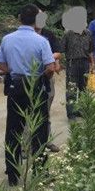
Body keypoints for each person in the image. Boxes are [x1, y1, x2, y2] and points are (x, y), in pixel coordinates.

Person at [0, 4, 55, 186]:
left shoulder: (7, 39)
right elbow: (50, 68)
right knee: (39, 131)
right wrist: (41, 76)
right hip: (35, 86)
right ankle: (39, 172)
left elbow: (1, 65)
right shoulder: (41, 41)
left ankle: (13, 174)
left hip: (15, 86)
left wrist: (14, 70)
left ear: (19, 18)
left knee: (13, 130)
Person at [57, 7, 95, 120]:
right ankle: (71, 113)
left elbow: (91, 50)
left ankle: (82, 110)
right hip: (72, 63)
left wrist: (93, 64)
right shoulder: (68, 34)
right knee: (72, 88)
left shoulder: (88, 34)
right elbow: (60, 50)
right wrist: (58, 63)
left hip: (85, 63)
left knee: (84, 88)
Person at [34, 12, 61, 153]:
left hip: (47, 76)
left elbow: (58, 52)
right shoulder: (28, 35)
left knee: (46, 110)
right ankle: (28, 144)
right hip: (31, 77)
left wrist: (48, 57)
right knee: (30, 111)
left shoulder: (48, 34)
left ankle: (46, 141)